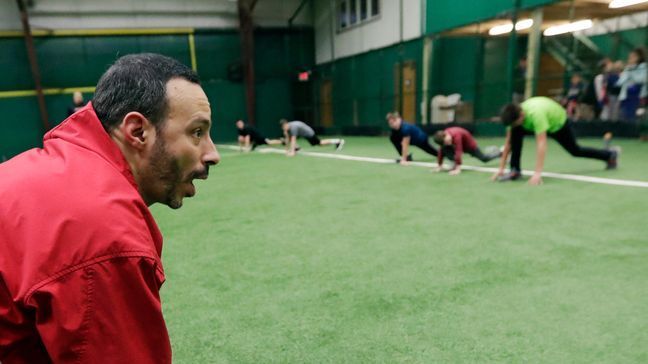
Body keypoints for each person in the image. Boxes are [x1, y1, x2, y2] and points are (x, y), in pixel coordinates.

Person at [0, 53, 220, 363]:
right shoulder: (104, 232)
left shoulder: (54, 171)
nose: (213, 154)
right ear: (137, 131)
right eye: (197, 132)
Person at [493, 96, 618, 185]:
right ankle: (515, 170)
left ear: (521, 116)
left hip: (557, 123)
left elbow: (541, 143)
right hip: (536, 121)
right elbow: (509, 143)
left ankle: (609, 156)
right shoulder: (513, 118)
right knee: (516, 134)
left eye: (515, 123)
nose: (513, 126)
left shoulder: (536, 114)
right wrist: (501, 169)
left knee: (575, 150)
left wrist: (537, 173)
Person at [432, 127, 501, 175]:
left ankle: (499, 152)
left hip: (469, 146)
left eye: (447, 141)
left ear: (446, 135)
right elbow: (441, 151)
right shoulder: (445, 138)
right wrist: (439, 166)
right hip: (455, 146)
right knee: (444, 149)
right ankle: (453, 163)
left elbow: (458, 151)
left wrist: (458, 168)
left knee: (484, 159)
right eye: (445, 143)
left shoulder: (456, 135)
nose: (447, 143)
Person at [280, 119, 344, 157]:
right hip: (304, 133)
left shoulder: (293, 127)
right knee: (291, 138)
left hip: (309, 133)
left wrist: (292, 152)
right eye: (283, 128)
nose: (284, 129)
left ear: (286, 124)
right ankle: (297, 148)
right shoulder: (288, 127)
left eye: (284, 127)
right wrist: (286, 150)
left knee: (320, 143)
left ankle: (338, 141)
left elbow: (293, 140)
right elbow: (288, 139)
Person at [617, 48, 647, 122]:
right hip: (626, 97)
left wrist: (630, 73)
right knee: (624, 117)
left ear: (639, 57)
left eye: (633, 57)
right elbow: (620, 82)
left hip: (637, 97)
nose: (630, 59)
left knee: (636, 118)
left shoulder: (644, 67)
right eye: (629, 57)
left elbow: (642, 80)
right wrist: (625, 70)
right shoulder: (628, 68)